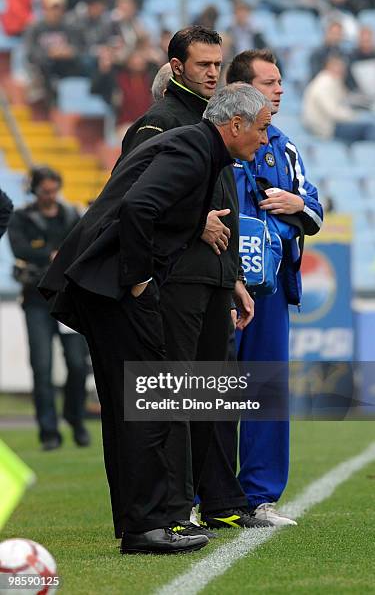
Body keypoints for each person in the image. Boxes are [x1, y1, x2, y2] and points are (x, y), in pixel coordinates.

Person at [39, 83, 273, 555]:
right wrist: (141, 280)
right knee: (150, 404)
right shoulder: (191, 147)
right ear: (235, 126)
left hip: (103, 287)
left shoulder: (198, 148)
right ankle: (148, 526)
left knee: (139, 406)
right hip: (114, 289)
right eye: (263, 129)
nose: (265, 141)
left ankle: (142, 523)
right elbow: (138, 207)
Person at [120, 26, 269, 532]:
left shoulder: (222, 123)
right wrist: (191, 221)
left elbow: (224, 211)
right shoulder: (158, 123)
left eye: (217, 64)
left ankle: (221, 500)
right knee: (178, 395)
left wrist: (235, 279)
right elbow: (130, 199)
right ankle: (174, 509)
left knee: (213, 396)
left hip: (213, 279)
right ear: (177, 67)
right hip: (176, 277)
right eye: (202, 64)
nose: (211, 72)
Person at [200, 49, 323, 527]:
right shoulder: (212, 144)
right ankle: (207, 494)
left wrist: (295, 203)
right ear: (242, 90)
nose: (279, 90)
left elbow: (313, 209)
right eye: (269, 82)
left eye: (280, 81)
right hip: (217, 285)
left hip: (268, 290)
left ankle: (259, 496)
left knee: (265, 389)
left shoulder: (285, 145)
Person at [8, 166, 90, 452]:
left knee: (78, 365)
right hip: (36, 301)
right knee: (41, 368)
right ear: (35, 190)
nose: (50, 196)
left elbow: (85, 244)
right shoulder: (21, 217)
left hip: (67, 299)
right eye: (45, 191)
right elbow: (19, 249)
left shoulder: (71, 215)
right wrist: (51, 255)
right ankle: (48, 432)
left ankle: (76, 419)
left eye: (54, 190)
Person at [302, 54, 375, 143]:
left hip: (331, 125)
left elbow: (345, 99)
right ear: (329, 66)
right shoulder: (324, 83)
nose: (342, 70)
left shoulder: (332, 81)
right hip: (326, 129)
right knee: (370, 128)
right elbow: (333, 112)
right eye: (338, 66)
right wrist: (353, 116)